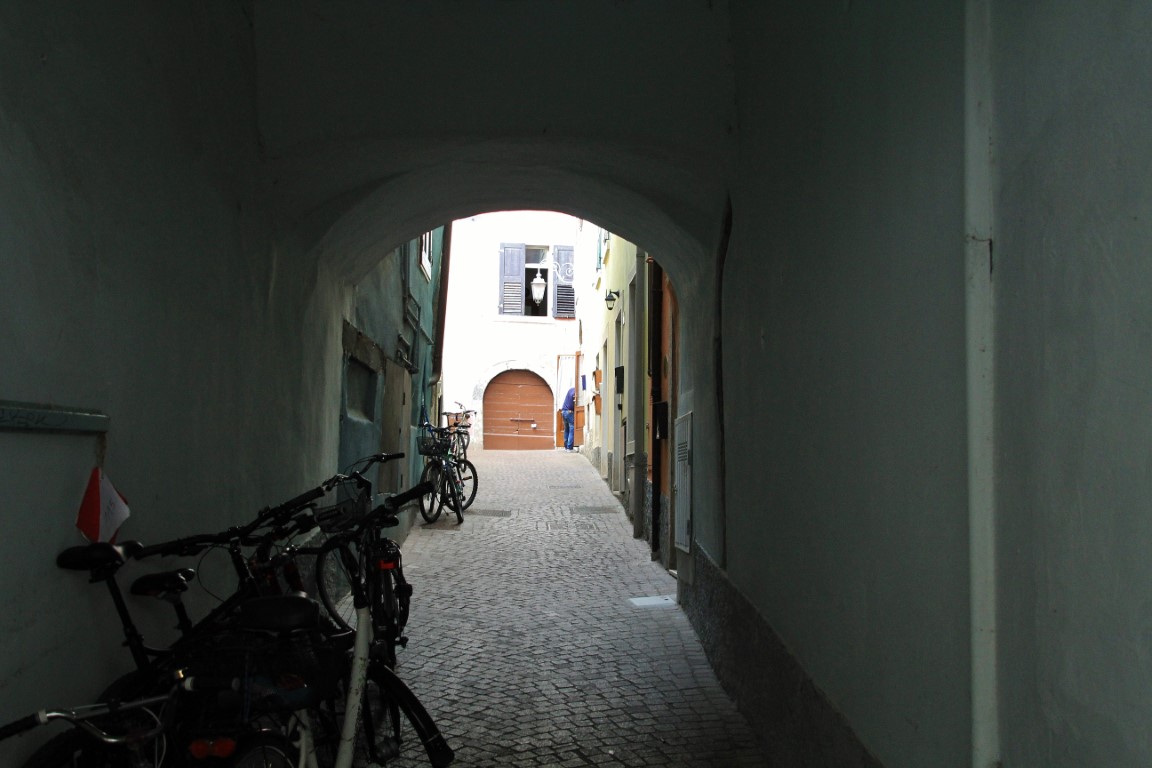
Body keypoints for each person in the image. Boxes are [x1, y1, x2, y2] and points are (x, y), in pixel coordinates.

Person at [561, 386, 576, 451]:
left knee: (566, 429)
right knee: (571, 429)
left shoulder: (570, 390)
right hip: (569, 412)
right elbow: (572, 403)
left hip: (563, 411)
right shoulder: (575, 391)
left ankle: (565, 446)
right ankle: (569, 447)